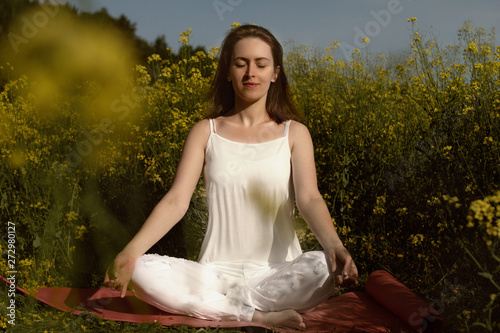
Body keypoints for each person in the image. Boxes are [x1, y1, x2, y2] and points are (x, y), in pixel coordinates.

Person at [104, 24, 358, 330]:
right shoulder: (205, 131)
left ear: (275, 73)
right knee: (143, 269)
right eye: (241, 64)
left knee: (320, 266)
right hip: (214, 275)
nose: (251, 72)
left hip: (278, 273)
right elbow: (176, 201)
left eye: (261, 64)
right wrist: (130, 253)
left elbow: (309, 198)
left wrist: (335, 247)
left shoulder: (294, 133)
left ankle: (225, 307)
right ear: (228, 72)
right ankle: (256, 315)